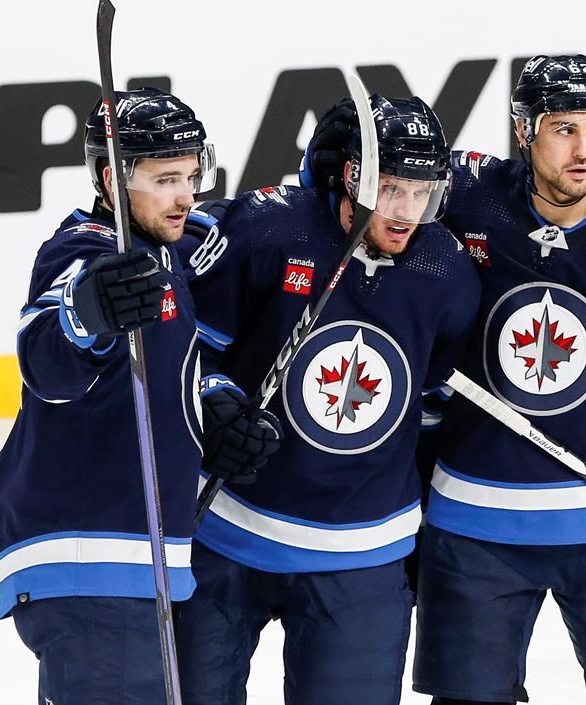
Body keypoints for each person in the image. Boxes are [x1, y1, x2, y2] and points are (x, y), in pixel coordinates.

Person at [302, 56, 586, 705]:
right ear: (523, 131)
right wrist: (329, 165)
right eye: (562, 129)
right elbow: (376, 196)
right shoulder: (465, 194)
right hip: (473, 522)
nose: (583, 150)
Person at [173, 94, 480, 705]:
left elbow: (432, 408)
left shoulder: (444, 273)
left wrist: (426, 533)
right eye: (391, 188)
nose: (406, 212)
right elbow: (183, 348)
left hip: (362, 554)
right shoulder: (266, 231)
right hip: (225, 532)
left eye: (422, 192)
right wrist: (215, 402)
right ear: (349, 175)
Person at [0, 87, 279, 705]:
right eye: (165, 178)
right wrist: (82, 312)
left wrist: (215, 406)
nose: (185, 195)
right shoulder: (88, 252)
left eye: (192, 175)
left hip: (132, 564)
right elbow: (47, 362)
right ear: (108, 177)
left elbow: (165, 373)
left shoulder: (162, 257)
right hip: (93, 555)